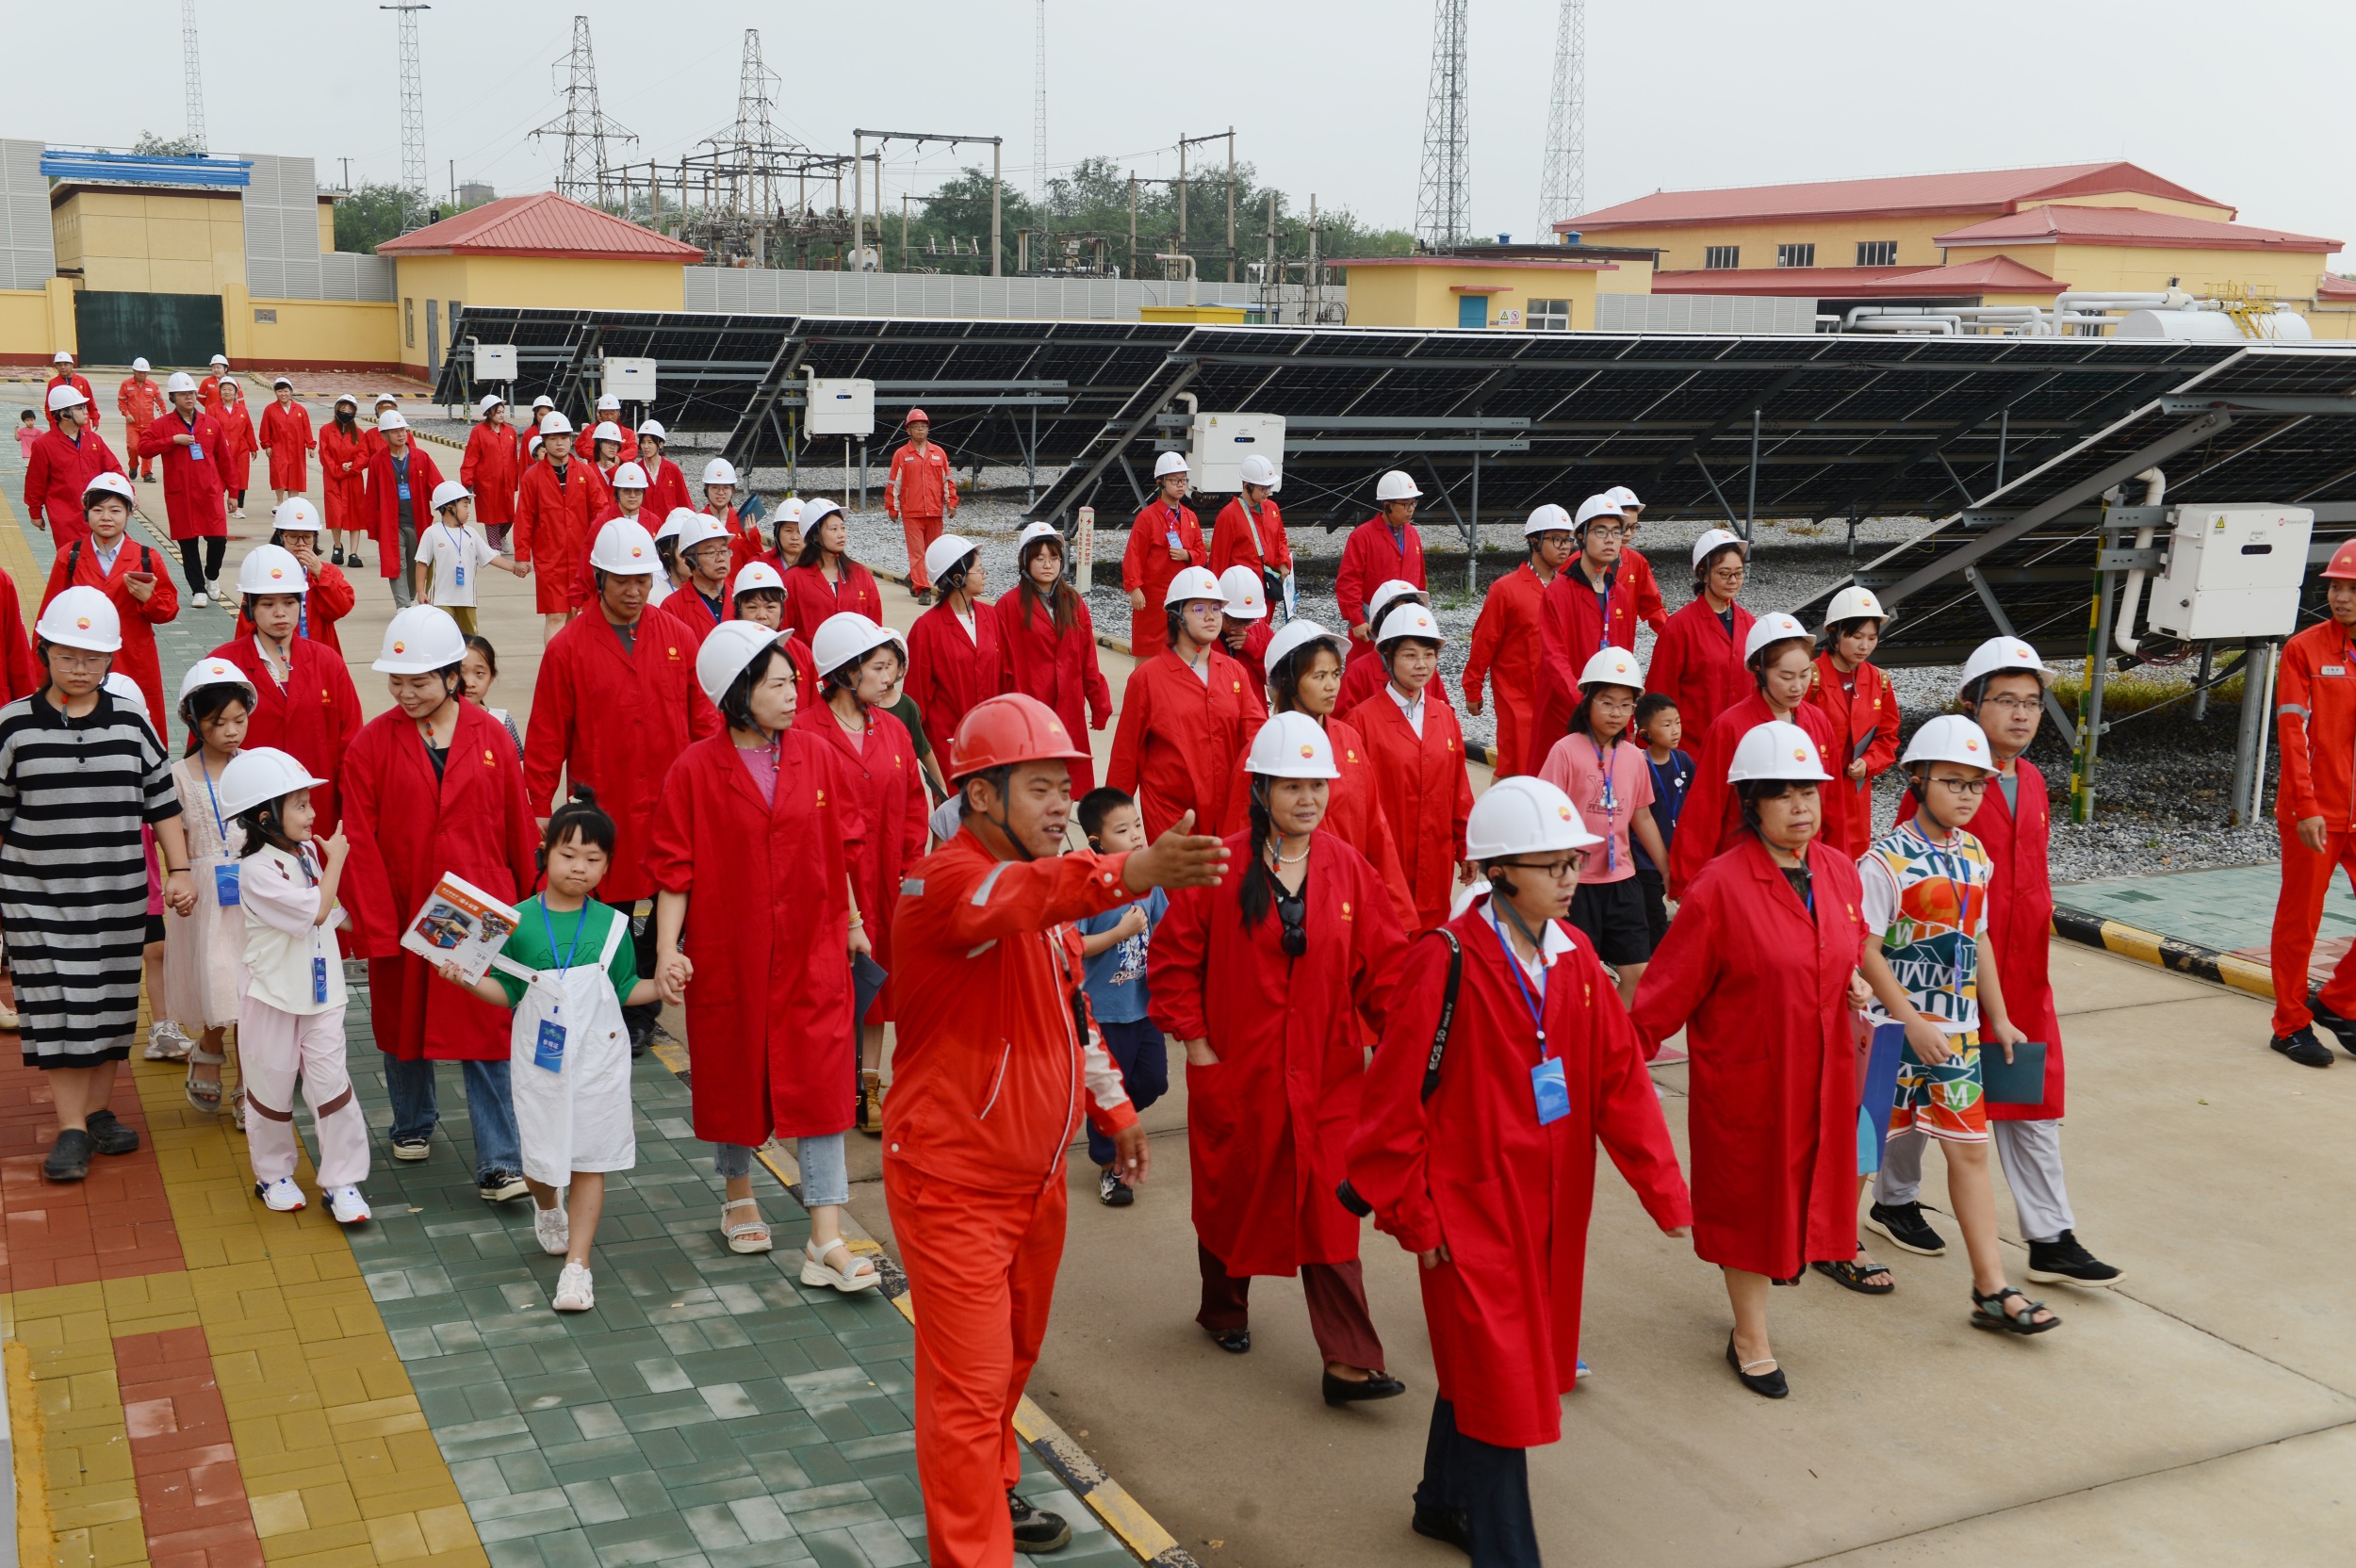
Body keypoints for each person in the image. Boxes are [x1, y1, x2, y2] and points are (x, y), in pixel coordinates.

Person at [887, 691, 1226, 1565]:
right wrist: (1129, 871)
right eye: (1039, 788)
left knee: (1009, 1362)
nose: (1061, 807)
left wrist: (1111, 1108)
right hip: (953, 1183)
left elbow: (1073, 1019)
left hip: (1032, 1179)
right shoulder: (945, 883)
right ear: (982, 795)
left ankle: (995, 1491)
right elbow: (1014, 897)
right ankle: (974, 1548)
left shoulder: (1039, 906)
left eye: (1064, 790)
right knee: (964, 1391)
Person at [1348, 776, 1693, 1563]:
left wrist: (1666, 1193)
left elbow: (1620, 1087)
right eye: (1555, 867)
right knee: (1503, 1383)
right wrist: (1415, 1217)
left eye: (1576, 863)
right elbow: (1393, 1103)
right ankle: (1509, 1551)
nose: (1573, 880)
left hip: (1548, 1212)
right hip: (1466, 1212)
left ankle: (1440, 1503)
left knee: (1488, 1363)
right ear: (1499, 870)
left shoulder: (1573, 962)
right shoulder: (1445, 961)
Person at [1151, 711, 1410, 1398]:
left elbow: (1384, 971)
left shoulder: (1348, 870)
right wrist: (1199, 1049)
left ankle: (1348, 1360)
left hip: (1327, 1077)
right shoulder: (1218, 866)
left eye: (1318, 786)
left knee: (1329, 1210)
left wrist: (1406, 1044)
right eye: (1292, 786)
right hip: (1241, 1070)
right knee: (1233, 1194)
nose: (1308, 800)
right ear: (1260, 790)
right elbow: (1174, 964)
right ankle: (1222, 1308)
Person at [1630, 720, 1875, 1396]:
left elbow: (1841, 946)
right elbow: (1664, 993)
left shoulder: (1835, 871)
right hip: (1749, 1076)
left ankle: (1771, 1291)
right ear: (1751, 803)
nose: (1802, 807)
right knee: (1748, 1203)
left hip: (1821, 1072)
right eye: (1784, 794)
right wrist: (1615, 1063)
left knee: (1801, 1194)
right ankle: (1750, 1335)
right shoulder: (1720, 887)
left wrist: (1849, 977)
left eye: (1810, 793)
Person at [1876, 638, 2122, 1286]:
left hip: (2019, 977)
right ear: (1971, 704)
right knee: (1923, 1095)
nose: (2021, 715)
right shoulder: (1939, 783)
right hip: (1944, 980)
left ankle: (2050, 1234)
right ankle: (1894, 1199)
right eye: (2006, 700)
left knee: (2028, 1099)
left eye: (2033, 703)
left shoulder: (2035, 782)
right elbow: (1910, 894)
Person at [649, 621, 875, 1271]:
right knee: (734, 1074)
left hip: (813, 949)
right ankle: (738, 1193)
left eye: (793, 681)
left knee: (821, 1084)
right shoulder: (695, 769)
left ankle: (824, 1236)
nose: (791, 694)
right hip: (732, 951)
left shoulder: (820, 757)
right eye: (776, 683)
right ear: (738, 691)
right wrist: (669, 950)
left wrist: (854, 924)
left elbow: (844, 854)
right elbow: (674, 872)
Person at [1856, 715, 2060, 1339]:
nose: (1968, 794)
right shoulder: (1884, 861)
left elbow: (1979, 938)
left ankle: (1991, 1288)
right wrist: (1910, 1020)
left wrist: (1997, 1017)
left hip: (1959, 1035)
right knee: (1865, 1148)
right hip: (1892, 1033)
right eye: (1953, 781)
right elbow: (1864, 950)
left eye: (1978, 783)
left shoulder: (1976, 856)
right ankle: (1838, 1244)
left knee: (1970, 1155)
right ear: (1917, 779)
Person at [338, 606, 539, 1200]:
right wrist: (377, 927)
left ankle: (501, 1161)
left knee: (487, 1032)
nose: (405, 693)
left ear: (453, 676)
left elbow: (517, 825)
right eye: (396, 682)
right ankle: (412, 1121)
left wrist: (529, 906)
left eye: (419, 682)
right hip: (403, 909)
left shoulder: (492, 739)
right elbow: (362, 842)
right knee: (406, 1027)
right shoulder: (370, 747)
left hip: (477, 908)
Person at [0, 588, 196, 1181]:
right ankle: (69, 1129)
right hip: (38, 901)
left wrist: (180, 868)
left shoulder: (132, 721)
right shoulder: (12, 727)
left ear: (111, 661)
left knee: (110, 1007)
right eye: (67, 656)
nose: (80, 668)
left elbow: (162, 801)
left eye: (93, 658)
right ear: (45, 653)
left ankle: (99, 1110)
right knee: (59, 1008)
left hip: (117, 895)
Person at [444, 789, 663, 1311]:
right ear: (546, 854)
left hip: (598, 1060)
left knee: (590, 1157)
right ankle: (547, 1207)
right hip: (540, 1059)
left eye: (594, 859)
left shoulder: (614, 924)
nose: (580, 868)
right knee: (542, 1159)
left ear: (608, 865)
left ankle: (577, 1267)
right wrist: (466, 981)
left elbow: (627, 988)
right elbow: (508, 993)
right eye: (569, 855)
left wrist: (667, 987)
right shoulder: (513, 921)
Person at [526, 517, 719, 1055]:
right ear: (598, 578)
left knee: (667, 906)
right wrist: (539, 807)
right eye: (622, 581)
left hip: (668, 804)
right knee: (610, 913)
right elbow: (545, 736)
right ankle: (613, 1001)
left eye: (643, 581)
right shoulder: (567, 648)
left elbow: (703, 722)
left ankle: (646, 1005)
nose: (634, 592)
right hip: (604, 809)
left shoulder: (677, 637)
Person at [217, 745, 371, 1225]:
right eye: (300, 805)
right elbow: (318, 909)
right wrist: (340, 860)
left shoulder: (305, 852)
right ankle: (273, 1175)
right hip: (272, 997)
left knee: (333, 1087)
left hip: (322, 996)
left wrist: (384, 926)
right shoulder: (255, 869)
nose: (312, 813)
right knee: (270, 1090)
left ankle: (343, 1181)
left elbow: (336, 915)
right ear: (266, 816)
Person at [799, 613, 927, 1138]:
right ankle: (826, 1083)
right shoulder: (805, 731)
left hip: (885, 887)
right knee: (824, 991)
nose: (890, 677)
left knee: (876, 988)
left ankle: (868, 1086)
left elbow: (915, 809)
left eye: (891, 666)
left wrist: (912, 873)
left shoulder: (894, 730)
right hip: (825, 889)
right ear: (845, 673)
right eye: (878, 667)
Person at [1226, 616, 1416, 929]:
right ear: (1287, 681)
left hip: (1346, 901)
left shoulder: (1349, 740)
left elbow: (1375, 827)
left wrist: (1396, 912)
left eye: (1336, 674)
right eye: (1319, 676)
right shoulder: (1261, 750)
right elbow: (1239, 834)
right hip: (1284, 909)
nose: (1332, 685)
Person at [1668, 612, 1846, 899]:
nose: (1797, 686)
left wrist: (1840, 870)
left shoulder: (1818, 722)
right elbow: (1705, 809)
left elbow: (1834, 804)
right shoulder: (1730, 727)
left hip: (1807, 864)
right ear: (1757, 670)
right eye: (1785, 676)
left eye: (1804, 675)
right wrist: (1687, 885)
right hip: (1744, 869)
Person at [1538, 646, 1670, 1005]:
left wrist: (1667, 870)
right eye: (1607, 702)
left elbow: (1642, 816)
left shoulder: (1633, 758)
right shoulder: (1565, 751)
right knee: (1575, 976)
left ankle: (1616, 1049)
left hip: (1622, 882)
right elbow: (1545, 814)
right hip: (1575, 884)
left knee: (1637, 973)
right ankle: (1578, 1045)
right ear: (1588, 702)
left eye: (1626, 705)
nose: (1616, 713)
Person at [2272, 539, 2356, 1068]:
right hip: (2316, 814)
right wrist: (2306, 808)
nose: (2340, 597)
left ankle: (2337, 1002)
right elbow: (2292, 735)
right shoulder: (2303, 649)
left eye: (2350, 588)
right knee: (2300, 921)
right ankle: (2289, 1025)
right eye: (2334, 587)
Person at [210, 543, 362, 832]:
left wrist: (351, 818)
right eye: (268, 604)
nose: (280, 613)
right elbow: (204, 751)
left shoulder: (328, 662)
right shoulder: (223, 665)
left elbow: (350, 745)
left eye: (289, 602)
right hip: (248, 819)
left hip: (318, 817)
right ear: (250, 608)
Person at [1110, 566, 1264, 842]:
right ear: (1176, 616)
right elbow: (1126, 755)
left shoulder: (1234, 673)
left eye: (1216, 608)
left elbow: (1256, 737)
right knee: (1181, 884)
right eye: (1199, 609)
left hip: (1227, 812)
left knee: (1226, 883)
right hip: (1172, 816)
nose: (1211, 617)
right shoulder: (1147, 679)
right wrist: (1110, 822)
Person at [1347, 603, 1473, 933]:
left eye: (1429, 654)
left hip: (1436, 858)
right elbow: (1352, 805)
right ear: (1387, 658)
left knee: (1432, 949)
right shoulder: (1360, 721)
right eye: (1410, 655)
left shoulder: (1444, 716)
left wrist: (1466, 847)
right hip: (1385, 860)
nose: (1421, 664)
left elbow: (1459, 789)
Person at [166, 658, 255, 1116]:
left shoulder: (258, 769)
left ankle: (247, 1081)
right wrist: (178, 878)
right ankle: (209, 1047)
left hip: (254, 892)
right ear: (195, 723)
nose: (231, 731)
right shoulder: (179, 776)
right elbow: (174, 837)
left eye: (239, 720)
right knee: (219, 981)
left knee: (250, 990)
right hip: (205, 892)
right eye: (218, 722)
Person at [1074, 788, 1170, 1207]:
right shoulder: (1087, 883)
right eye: (1122, 829)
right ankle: (1112, 1166)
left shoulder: (1147, 879)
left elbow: (1168, 931)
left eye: (1137, 825)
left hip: (1143, 1008)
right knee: (1108, 1089)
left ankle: (1117, 1122)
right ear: (1095, 841)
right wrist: (1118, 934)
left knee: (1153, 1081)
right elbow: (1070, 944)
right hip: (1105, 1012)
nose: (1135, 835)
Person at [40, 473, 178, 745]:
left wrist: (149, 599)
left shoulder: (147, 558)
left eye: (115, 510)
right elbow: (48, 617)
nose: (106, 517)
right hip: (82, 663)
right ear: (86, 513)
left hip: (134, 661)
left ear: (128, 513)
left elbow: (168, 610)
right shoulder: (70, 556)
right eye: (97, 509)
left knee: (138, 731)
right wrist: (41, 675)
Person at [995, 521, 1112, 796]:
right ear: (1025, 560)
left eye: (1054, 557)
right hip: (1029, 708)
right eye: (1039, 557)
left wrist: (1099, 703)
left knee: (1065, 785)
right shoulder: (1009, 606)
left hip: (1068, 708)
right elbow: (1001, 667)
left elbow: (1087, 658)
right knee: (1031, 785)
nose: (1048, 564)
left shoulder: (1073, 602)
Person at [1464, 504, 1575, 778]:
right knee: (1514, 770)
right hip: (1518, 702)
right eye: (1557, 539)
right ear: (1534, 542)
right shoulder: (1505, 590)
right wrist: (1472, 689)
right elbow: (1484, 642)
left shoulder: (1570, 588)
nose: (1565, 547)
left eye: (1568, 540)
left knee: (1556, 772)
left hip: (1559, 699)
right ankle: (1491, 821)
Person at [1535, 496, 1644, 745]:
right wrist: (1585, 706)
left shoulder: (1620, 594)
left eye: (1617, 532)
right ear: (1581, 536)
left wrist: (1620, 709)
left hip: (1610, 717)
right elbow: (1554, 659)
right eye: (1601, 531)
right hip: (1567, 714)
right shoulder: (1558, 592)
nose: (1610, 539)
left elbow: (1625, 656)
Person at [1644, 529, 1755, 760]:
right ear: (1704, 575)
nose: (1733, 581)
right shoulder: (1680, 626)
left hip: (1741, 750)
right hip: (1693, 752)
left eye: (1738, 573)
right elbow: (1660, 690)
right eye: (1724, 573)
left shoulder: (1749, 623)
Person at [1810, 586, 1901, 858]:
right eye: (1856, 636)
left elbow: (1888, 737)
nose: (1865, 646)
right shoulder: (1809, 678)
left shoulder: (1880, 681)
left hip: (1855, 795)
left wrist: (1869, 762)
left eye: (1872, 638)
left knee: (1852, 859)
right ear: (1834, 633)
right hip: (1813, 790)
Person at [136, 373, 233, 605]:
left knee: (218, 539)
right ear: (172, 397)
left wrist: (234, 493)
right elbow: (144, 448)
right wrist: (172, 441)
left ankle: (211, 576)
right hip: (181, 495)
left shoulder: (210, 424)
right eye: (183, 394)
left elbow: (225, 459)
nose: (189, 398)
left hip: (209, 492)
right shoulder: (162, 425)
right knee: (188, 543)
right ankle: (198, 589)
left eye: (191, 393)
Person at [514, 413, 613, 644]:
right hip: (549, 558)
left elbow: (601, 511)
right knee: (556, 615)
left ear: (570, 440)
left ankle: (574, 670)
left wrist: (604, 547)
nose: (559, 443)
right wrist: (521, 556)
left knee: (578, 614)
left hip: (582, 557)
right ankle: (554, 672)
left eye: (564, 437)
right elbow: (524, 518)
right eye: (553, 438)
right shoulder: (533, 477)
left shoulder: (586, 473)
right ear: (544, 442)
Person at [904, 533, 1001, 762]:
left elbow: (1005, 676)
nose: (984, 575)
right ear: (958, 578)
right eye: (979, 569)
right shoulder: (927, 628)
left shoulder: (991, 617)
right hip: (947, 744)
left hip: (991, 738)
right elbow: (917, 694)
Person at [233, 498, 356, 656]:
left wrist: (320, 575)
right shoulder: (264, 572)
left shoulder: (326, 571)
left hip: (317, 655)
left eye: (307, 537)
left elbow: (340, 609)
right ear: (280, 538)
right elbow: (247, 624)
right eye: (292, 536)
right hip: (275, 655)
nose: (301, 544)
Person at [1336, 470, 1428, 671]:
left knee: (1402, 676)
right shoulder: (1362, 536)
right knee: (1363, 678)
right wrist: (1356, 619)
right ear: (1387, 505)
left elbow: (1420, 580)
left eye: (1413, 503)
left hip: (1406, 623)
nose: (1411, 509)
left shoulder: (1413, 535)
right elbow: (1348, 581)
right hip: (1370, 627)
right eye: (1405, 504)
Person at [1122, 451, 1207, 657]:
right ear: (1160, 482)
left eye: (1184, 480)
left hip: (1184, 594)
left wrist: (1188, 555)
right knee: (1149, 647)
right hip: (1154, 595)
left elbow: (1202, 553)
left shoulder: (1191, 517)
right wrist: (1135, 588)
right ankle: (1142, 688)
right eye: (1174, 480)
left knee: (1181, 645)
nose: (1181, 485)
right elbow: (1133, 554)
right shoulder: (1147, 517)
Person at [417, 480, 526, 638]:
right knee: (441, 638)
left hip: (467, 599)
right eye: (465, 506)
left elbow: (490, 557)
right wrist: (420, 591)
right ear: (450, 508)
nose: (468, 511)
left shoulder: (471, 533)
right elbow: (422, 563)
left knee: (470, 641)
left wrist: (513, 567)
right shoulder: (432, 533)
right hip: (440, 599)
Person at [24, 385, 124, 547]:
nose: (86, 411)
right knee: (72, 563)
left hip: (96, 516)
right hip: (65, 520)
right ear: (64, 414)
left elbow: (113, 469)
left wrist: (129, 493)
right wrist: (35, 512)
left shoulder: (94, 440)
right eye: (80, 408)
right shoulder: (44, 445)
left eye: (84, 407)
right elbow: (35, 482)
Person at [364, 411, 444, 611]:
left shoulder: (421, 457)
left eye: (403, 430)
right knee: (397, 564)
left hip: (417, 521)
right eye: (395, 431)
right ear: (384, 435)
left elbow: (437, 485)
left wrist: (449, 505)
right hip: (392, 523)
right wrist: (374, 529)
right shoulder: (377, 461)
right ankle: (402, 605)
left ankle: (408, 597)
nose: (401, 434)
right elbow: (372, 497)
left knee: (416, 562)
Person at [1631, 694, 1691, 956]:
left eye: (1677, 722)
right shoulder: (1637, 766)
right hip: (1644, 862)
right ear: (1645, 733)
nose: (1675, 730)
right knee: (1654, 921)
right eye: (1666, 725)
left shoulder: (1684, 761)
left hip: (1677, 856)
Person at [780, 496, 885, 632]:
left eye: (843, 528)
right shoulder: (793, 579)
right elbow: (784, 629)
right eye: (834, 529)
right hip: (810, 653)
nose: (841, 534)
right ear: (815, 536)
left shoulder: (860, 574)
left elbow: (875, 624)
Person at [887, 408, 958, 601]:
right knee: (917, 552)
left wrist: (951, 502)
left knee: (932, 552)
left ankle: (913, 578)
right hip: (911, 512)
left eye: (923, 427)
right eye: (915, 427)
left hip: (935, 512)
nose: (920, 430)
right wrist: (892, 508)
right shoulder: (901, 455)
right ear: (908, 431)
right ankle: (923, 590)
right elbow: (894, 484)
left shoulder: (939, 453)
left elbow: (948, 480)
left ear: (928, 429)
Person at [1210, 452, 1292, 609]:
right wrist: (1217, 602)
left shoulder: (1272, 508)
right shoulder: (1229, 515)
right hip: (1242, 592)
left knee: (1263, 632)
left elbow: (1281, 539)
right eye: (1263, 488)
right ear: (1247, 486)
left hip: (1269, 587)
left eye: (1270, 486)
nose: (1268, 491)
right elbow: (1218, 561)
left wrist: (1283, 562)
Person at [1602, 484, 1670, 637]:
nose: (1628, 534)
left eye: (1633, 527)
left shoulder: (1637, 562)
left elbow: (1653, 608)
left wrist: (1677, 639)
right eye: (1623, 527)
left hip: (1622, 652)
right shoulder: (1577, 562)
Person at [459, 394, 519, 552]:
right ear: (488, 413)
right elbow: (471, 457)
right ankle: (494, 546)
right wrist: (467, 482)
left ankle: (501, 536)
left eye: (502, 411)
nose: (501, 414)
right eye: (497, 411)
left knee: (509, 516)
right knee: (492, 516)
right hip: (487, 483)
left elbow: (514, 458)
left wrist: (515, 481)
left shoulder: (510, 431)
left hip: (506, 482)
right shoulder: (479, 432)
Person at [318, 393, 368, 569]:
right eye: (343, 408)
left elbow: (364, 454)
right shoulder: (325, 430)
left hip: (353, 479)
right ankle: (337, 546)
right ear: (337, 409)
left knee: (355, 515)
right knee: (335, 513)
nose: (346, 412)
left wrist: (352, 467)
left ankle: (354, 553)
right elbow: (324, 454)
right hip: (333, 478)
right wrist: (339, 470)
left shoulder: (359, 433)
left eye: (350, 409)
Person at [461, 634, 524, 758]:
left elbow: (515, 768)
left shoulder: (503, 721)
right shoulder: (436, 723)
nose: (469, 683)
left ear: (491, 678)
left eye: (479, 673)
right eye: (460, 673)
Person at [1216, 564, 1274, 695]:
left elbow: (1277, 678)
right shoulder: (1204, 635)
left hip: (1254, 711)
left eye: (1248, 622)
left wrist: (1253, 647)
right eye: (1234, 622)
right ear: (1220, 610)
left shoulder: (1260, 630)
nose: (1241, 628)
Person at [257, 379, 313, 508]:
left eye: (286, 391)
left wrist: (310, 445)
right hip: (278, 447)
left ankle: (292, 503)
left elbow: (306, 429)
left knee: (296, 474)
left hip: (297, 448)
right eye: (280, 391)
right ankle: (280, 501)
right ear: (275, 393)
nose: (283, 394)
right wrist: (267, 445)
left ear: (291, 392)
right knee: (279, 473)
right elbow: (265, 429)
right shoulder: (270, 409)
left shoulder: (300, 410)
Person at [214, 377, 257, 518]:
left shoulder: (242, 410)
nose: (227, 392)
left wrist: (253, 447)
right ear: (219, 392)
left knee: (241, 479)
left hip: (241, 450)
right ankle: (217, 507)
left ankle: (239, 508)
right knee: (218, 479)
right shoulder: (213, 409)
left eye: (230, 389)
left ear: (236, 393)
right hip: (221, 451)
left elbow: (249, 429)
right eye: (224, 389)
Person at [117, 359, 163, 481]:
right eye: (140, 372)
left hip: (149, 424)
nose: (143, 375)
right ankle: (133, 466)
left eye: (145, 373)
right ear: (134, 371)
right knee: (133, 447)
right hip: (133, 424)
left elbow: (160, 402)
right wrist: (126, 414)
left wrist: (163, 415)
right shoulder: (126, 385)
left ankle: (147, 473)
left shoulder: (152, 386)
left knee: (148, 448)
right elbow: (121, 402)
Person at [635, 420, 692, 519]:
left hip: (669, 526)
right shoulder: (636, 470)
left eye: (650, 442)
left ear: (660, 444)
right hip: (645, 528)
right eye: (643, 442)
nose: (646, 447)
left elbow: (684, 502)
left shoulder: (673, 470)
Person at [43, 351, 96, 433]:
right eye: (59, 365)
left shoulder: (82, 381)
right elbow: (49, 406)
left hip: (81, 424)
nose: (63, 367)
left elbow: (90, 402)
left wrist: (95, 418)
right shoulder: (53, 383)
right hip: (62, 425)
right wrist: (53, 422)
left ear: (71, 365)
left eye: (66, 364)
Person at [197, 353, 230, 417]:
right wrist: (209, 406)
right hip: (211, 415)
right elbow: (200, 398)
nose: (216, 370)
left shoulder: (232, 382)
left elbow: (240, 400)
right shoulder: (206, 382)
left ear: (225, 369)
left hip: (227, 415)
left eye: (218, 367)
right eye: (213, 368)